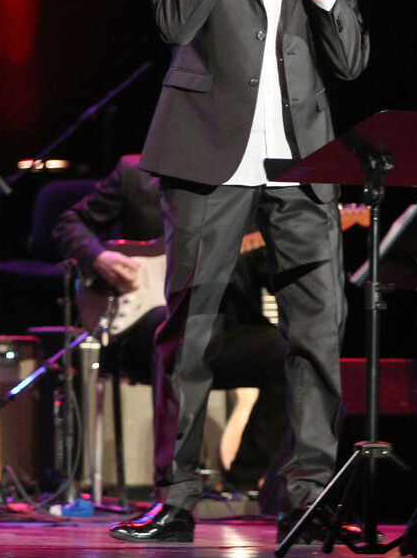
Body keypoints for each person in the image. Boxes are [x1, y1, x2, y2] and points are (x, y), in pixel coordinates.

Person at [109, 0, 368, 544]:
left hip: (301, 160)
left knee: (318, 328)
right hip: (207, 151)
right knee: (191, 327)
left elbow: (351, 61)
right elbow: (172, 22)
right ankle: (176, 497)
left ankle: (310, 493)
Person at [52, 153, 289, 496]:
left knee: (290, 355)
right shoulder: (136, 173)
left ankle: (242, 482)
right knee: (179, 330)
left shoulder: (250, 184)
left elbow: (270, 274)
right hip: (143, 325)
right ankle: (173, 488)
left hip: (226, 328)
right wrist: (99, 257)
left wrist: (289, 252)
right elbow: (68, 223)